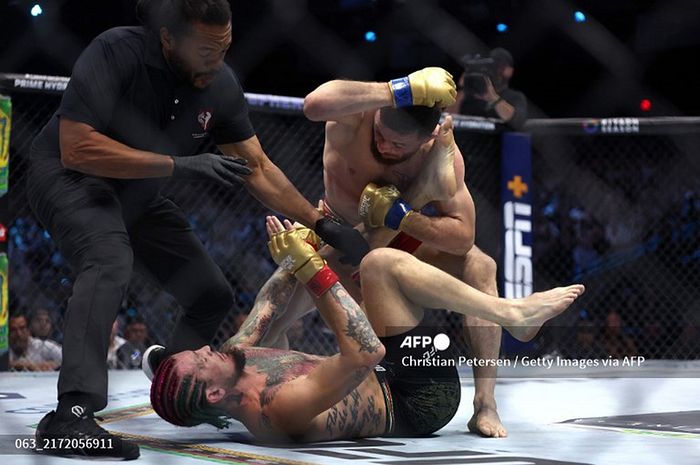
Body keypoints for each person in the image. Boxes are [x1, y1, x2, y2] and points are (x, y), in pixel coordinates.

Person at [30, 0, 368, 458]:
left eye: (224, 47)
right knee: (109, 258)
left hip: (139, 193)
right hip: (69, 178)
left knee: (211, 294)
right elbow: (76, 147)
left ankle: (177, 386)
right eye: (205, 49)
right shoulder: (115, 52)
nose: (217, 59)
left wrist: (322, 223)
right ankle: (72, 414)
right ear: (168, 38)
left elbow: (258, 168)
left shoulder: (219, 83)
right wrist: (178, 165)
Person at [227, 66, 509, 437]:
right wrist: (398, 89)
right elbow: (314, 104)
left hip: (400, 245)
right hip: (337, 238)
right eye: (381, 134)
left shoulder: (439, 154)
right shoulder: (355, 119)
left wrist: (403, 216)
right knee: (264, 328)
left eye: (398, 146)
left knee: (481, 265)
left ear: (424, 140)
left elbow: (462, 236)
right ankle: (229, 390)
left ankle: (485, 403)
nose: (385, 146)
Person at [149, 216, 585, 442]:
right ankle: (509, 315)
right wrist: (310, 268)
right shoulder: (276, 411)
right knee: (378, 263)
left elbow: (267, 305)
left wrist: (297, 253)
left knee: (373, 251)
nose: (206, 348)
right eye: (199, 359)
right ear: (212, 394)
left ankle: (507, 319)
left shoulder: (232, 357)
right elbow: (364, 353)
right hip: (416, 400)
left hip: (384, 365)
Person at [446, 48, 527, 130]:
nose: (495, 72)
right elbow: (447, 118)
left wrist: (492, 97)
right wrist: (464, 88)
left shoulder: (515, 97)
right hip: (466, 139)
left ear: (509, 71)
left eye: (500, 67)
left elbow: (516, 122)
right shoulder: (469, 95)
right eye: (492, 67)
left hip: (496, 140)